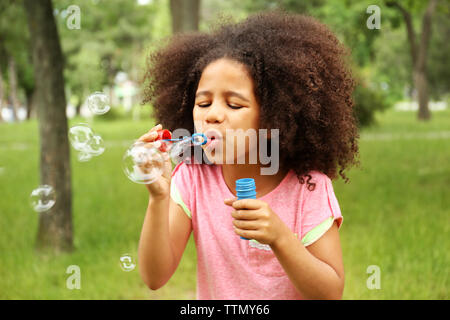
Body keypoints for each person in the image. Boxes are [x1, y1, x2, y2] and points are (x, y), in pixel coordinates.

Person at [137, 10, 360, 300]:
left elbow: (330, 293)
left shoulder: (308, 188)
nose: (213, 115)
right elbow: (155, 277)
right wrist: (158, 198)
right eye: (203, 103)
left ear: (272, 120)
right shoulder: (193, 177)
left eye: (234, 104)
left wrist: (280, 238)